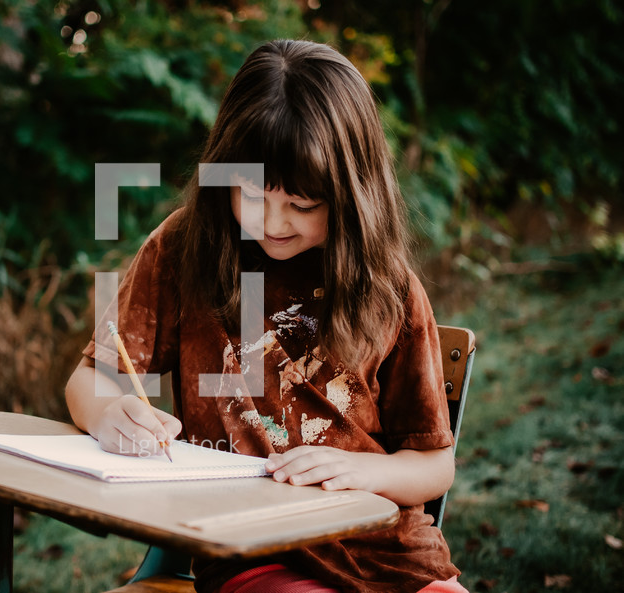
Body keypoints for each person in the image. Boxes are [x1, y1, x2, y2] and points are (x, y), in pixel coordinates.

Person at [65, 39, 468, 593]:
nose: (273, 223)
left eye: (303, 205)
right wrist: (110, 413)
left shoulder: (387, 287)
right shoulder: (185, 251)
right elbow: (90, 380)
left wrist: (368, 471)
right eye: (251, 194)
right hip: (255, 554)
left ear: (352, 195)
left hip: (392, 558)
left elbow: (432, 463)